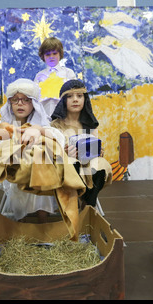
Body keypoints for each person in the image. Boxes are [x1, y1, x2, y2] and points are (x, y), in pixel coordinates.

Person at [0, 78, 56, 223]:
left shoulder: (40, 122)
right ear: (10, 103)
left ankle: (42, 222)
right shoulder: (5, 124)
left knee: (39, 171)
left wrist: (38, 129)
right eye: (15, 100)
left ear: (33, 104)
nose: (20, 103)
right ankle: (19, 221)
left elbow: (54, 138)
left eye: (25, 100)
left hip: (37, 168)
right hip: (13, 166)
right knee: (20, 175)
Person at [49, 79, 112, 208]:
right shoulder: (55, 125)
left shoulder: (90, 125)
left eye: (79, 96)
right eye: (70, 96)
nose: (75, 100)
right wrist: (64, 153)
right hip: (66, 167)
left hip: (89, 165)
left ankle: (87, 205)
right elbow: (52, 152)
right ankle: (84, 207)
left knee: (101, 165)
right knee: (74, 165)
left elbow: (96, 149)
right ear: (63, 101)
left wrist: (99, 151)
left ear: (85, 99)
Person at [34, 37, 76, 117]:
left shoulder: (68, 73)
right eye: (48, 54)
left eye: (54, 53)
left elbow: (74, 93)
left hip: (65, 114)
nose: (51, 56)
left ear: (60, 54)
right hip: (43, 115)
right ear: (43, 56)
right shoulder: (39, 76)